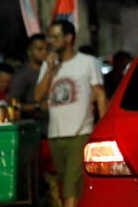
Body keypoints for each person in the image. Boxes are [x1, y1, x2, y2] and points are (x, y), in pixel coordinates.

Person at [35, 20, 107, 207]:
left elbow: (99, 95)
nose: (51, 41)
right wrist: (50, 69)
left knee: (70, 187)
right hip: (56, 134)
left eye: (56, 36)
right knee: (65, 183)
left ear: (69, 38)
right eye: (50, 36)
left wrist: (104, 128)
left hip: (80, 132)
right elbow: (38, 96)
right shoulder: (48, 65)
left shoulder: (88, 62)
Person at [8, 33, 48, 118]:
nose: (44, 52)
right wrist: (37, 107)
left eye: (47, 49)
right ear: (30, 51)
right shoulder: (22, 75)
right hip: (33, 124)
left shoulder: (50, 70)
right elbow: (13, 104)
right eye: (40, 49)